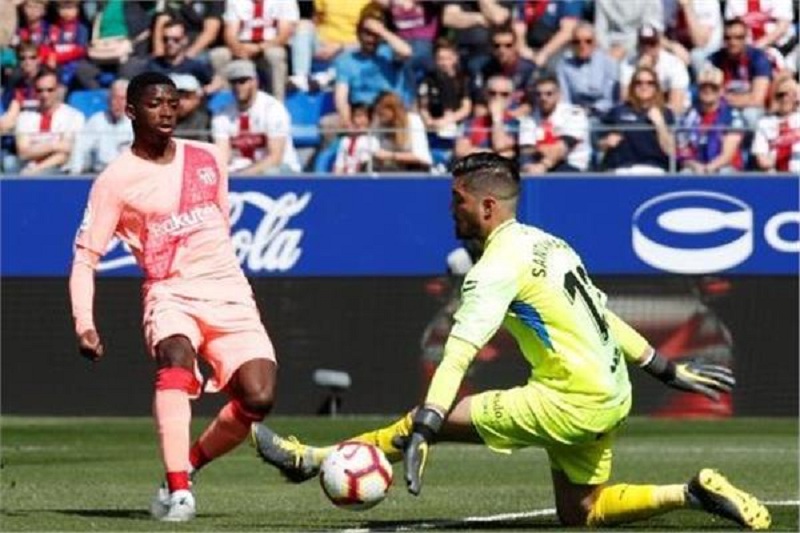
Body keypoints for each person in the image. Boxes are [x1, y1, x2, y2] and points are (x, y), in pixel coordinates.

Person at [251, 152, 771, 532]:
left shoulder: (494, 268)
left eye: (456, 200)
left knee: (427, 418)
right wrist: (664, 368)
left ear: (486, 206)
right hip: (611, 395)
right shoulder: (549, 243)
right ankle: (693, 492)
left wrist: (429, 425)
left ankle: (310, 459)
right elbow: (603, 315)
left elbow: (459, 352)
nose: (450, 210)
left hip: (568, 400)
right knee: (583, 513)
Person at [69, 71, 285, 522]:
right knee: (175, 361)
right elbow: (86, 258)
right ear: (131, 111)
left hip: (229, 292)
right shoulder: (115, 180)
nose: (167, 111)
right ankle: (180, 492)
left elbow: (218, 224)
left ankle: (188, 466)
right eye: (155, 104)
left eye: (172, 102)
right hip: (170, 292)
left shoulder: (208, 158)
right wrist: (84, 323)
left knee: (259, 397)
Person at [211, 59, 301, 174]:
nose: (238, 86)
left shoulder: (273, 109)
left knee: (271, 172)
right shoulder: (222, 115)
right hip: (240, 169)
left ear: (255, 81)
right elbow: (223, 156)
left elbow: (275, 158)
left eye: (243, 81)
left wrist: (244, 175)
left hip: (280, 170)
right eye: (234, 82)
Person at [599, 66, 676, 174]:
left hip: (653, 169)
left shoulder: (665, 113)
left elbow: (670, 150)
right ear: (632, 86)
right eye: (638, 83)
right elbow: (599, 144)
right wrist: (606, 142)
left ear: (656, 87)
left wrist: (660, 124)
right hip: (621, 169)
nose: (644, 87)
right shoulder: (618, 111)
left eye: (650, 83)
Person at [15, 68, 85, 175]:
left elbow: (65, 152)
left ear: (59, 89)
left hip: (59, 171)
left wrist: (36, 170)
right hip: (27, 168)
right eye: (40, 90)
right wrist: (54, 145)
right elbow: (23, 153)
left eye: (50, 90)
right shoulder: (24, 117)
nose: (45, 95)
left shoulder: (74, 116)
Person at [677, 66, 744, 174]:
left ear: (721, 90)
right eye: (703, 87)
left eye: (714, 87)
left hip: (724, 166)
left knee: (724, 173)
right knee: (685, 174)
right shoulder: (688, 116)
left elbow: (727, 155)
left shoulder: (732, 116)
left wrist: (709, 168)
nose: (708, 90)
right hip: (696, 166)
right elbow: (683, 150)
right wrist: (694, 165)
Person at [709, 18, 773, 130]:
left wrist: (724, 99)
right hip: (727, 105)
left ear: (746, 38)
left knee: (750, 114)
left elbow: (757, 99)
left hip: (751, 107)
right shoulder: (716, 59)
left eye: (738, 37)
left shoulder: (758, 58)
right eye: (728, 38)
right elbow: (710, 94)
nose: (733, 42)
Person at [518, 75, 590, 173]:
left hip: (571, 166)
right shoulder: (529, 118)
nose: (543, 98)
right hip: (536, 165)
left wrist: (543, 165)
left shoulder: (574, 114)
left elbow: (562, 148)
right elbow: (526, 150)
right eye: (538, 94)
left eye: (549, 94)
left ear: (558, 95)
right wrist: (528, 167)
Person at [618, 24, 690, 116]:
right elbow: (625, 100)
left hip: (673, 115)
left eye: (652, 44)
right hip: (639, 115)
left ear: (659, 46)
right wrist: (640, 71)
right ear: (637, 46)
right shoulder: (628, 64)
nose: (647, 49)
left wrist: (651, 73)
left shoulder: (674, 64)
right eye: (643, 44)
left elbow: (676, 106)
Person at [555, 22, 619, 122]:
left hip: (604, 115)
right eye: (577, 42)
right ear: (571, 44)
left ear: (595, 43)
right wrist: (575, 113)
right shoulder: (564, 66)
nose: (582, 45)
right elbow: (565, 98)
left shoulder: (609, 63)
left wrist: (591, 110)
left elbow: (610, 99)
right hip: (574, 116)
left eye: (588, 41)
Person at [68, 78, 133, 175]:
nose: (118, 103)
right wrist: (75, 172)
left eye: (122, 99)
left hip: (129, 175)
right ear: (108, 100)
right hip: (99, 174)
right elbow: (80, 149)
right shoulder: (96, 120)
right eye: (114, 98)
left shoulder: (139, 123)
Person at [455, 74, 520, 160]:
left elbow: (500, 145)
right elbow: (461, 151)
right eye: (492, 93)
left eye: (504, 94)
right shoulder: (471, 123)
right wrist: (495, 154)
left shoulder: (517, 124)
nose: (497, 98)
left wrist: (497, 118)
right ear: (485, 94)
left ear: (511, 97)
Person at [751, 72, 800, 173]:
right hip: (775, 175)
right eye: (781, 95)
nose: (785, 99)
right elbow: (762, 160)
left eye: (790, 95)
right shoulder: (765, 123)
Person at [331, 102, 378, 174]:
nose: (362, 120)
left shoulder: (373, 140)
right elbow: (339, 166)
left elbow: (369, 162)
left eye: (366, 116)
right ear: (352, 119)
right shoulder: (345, 141)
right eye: (358, 116)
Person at [171, 73, 211, 143]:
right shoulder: (158, 121)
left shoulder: (207, 121)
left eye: (187, 97)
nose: (181, 102)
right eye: (176, 97)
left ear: (198, 99)